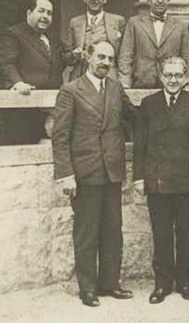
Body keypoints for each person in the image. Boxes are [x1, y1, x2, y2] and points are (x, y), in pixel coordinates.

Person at [52, 40, 135, 307]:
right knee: (86, 232)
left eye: (110, 59)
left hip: (112, 172)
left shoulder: (116, 88)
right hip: (85, 172)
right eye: (101, 57)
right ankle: (87, 288)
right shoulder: (70, 90)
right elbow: (60, 136)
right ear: (88, 57)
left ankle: (110, 283)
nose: (105, 63)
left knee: (113, 230)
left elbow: (134, 118)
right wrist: (66, 174)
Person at [133, 56, 189, 304]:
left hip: (187, 179)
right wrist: (138, 177)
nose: (173, 80)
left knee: (186, 234)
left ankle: (185, 282)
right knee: (162, 234)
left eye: (178, 75)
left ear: (186, 77)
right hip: (157, 180)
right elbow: (140, 145)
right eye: (168, 75)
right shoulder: (148, 104)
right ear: (160, 77)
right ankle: (162, 284)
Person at [0, 0, 63, 143]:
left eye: (49, 13)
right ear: (29, 13)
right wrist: (18, 83)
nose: (45, 16)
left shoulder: (52, 37)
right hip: (24, 103)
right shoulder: (14, 34)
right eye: (41, 11)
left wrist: (75, 56)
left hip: (49, 105)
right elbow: (7, 63)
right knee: (23, 145)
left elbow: (60, 60)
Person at [118, 0, 189, 88]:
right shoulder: (134, 23)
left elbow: (188, 58)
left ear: (168, 0)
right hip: (142, 84)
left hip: (171, 85)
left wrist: (188, 82)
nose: (160, 1)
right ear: (149, 0)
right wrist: (125, 83)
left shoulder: (180, 26)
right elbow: (126, 56)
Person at [63, 0, 126, 82]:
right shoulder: (74, 22)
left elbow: (124, 55)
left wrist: (123, 80)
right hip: (81, 77)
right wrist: (74, 55)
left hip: (108, 76)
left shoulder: (118, 21)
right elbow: (66, 56)